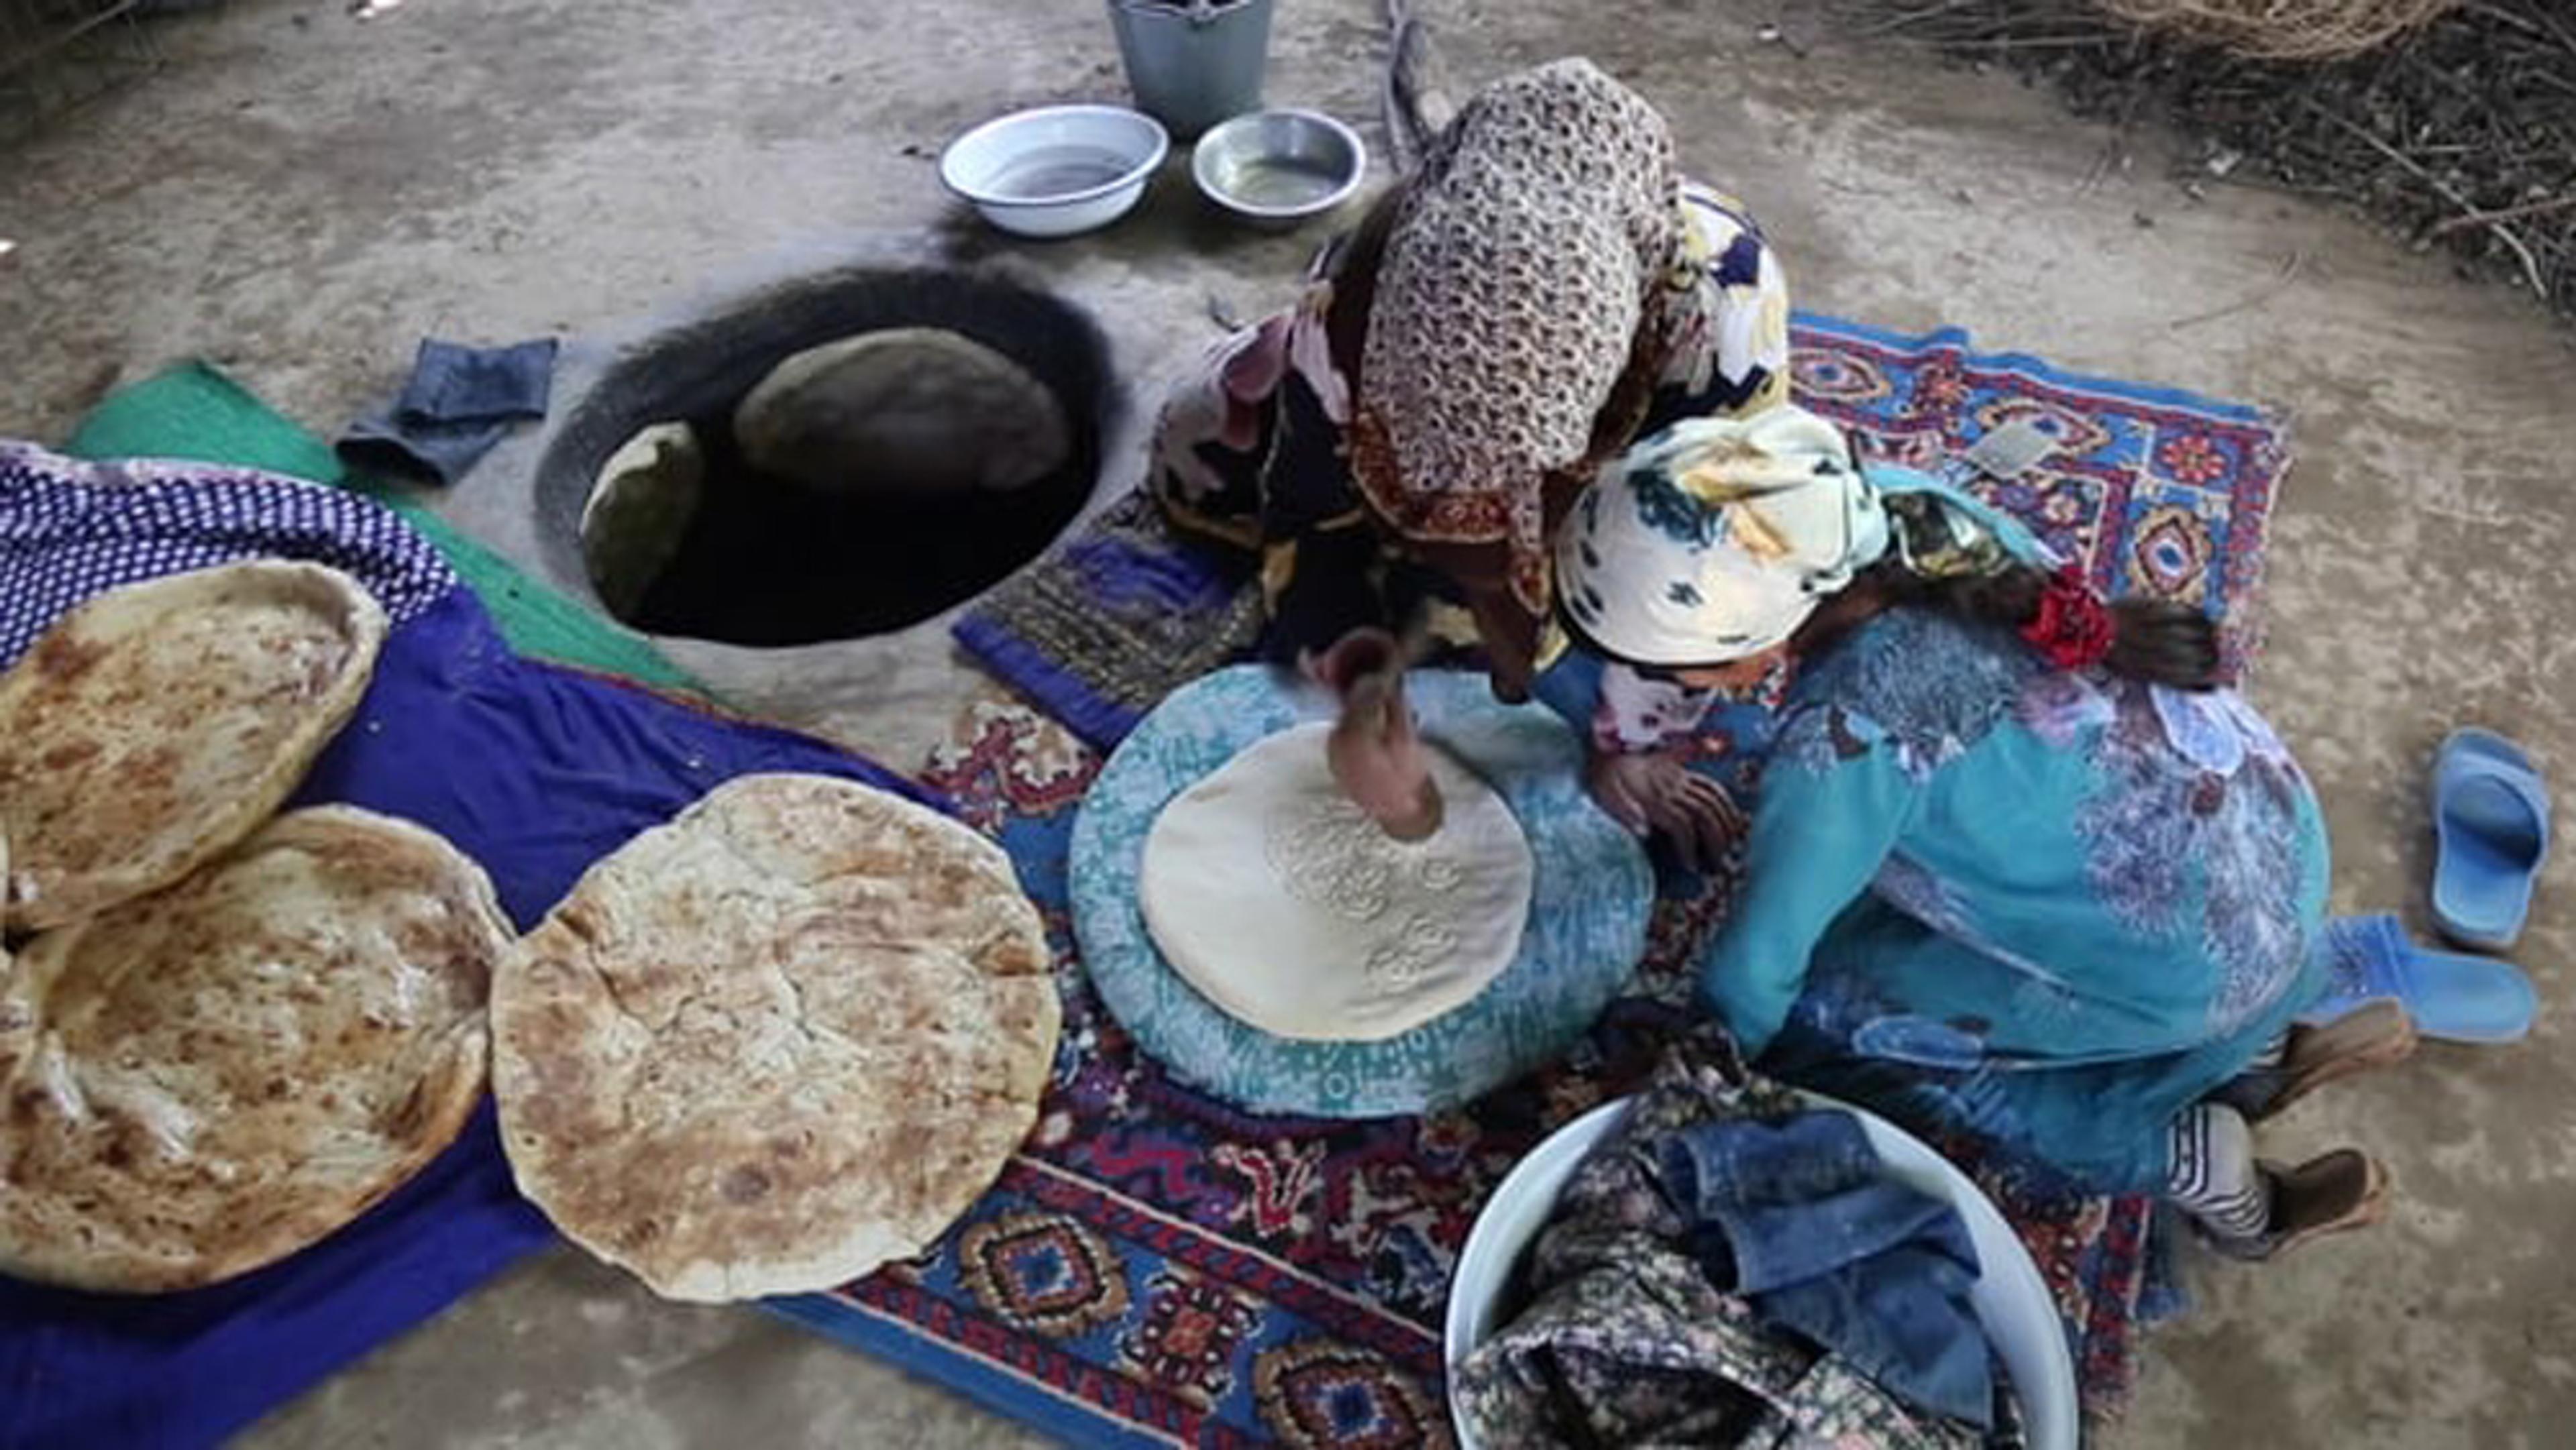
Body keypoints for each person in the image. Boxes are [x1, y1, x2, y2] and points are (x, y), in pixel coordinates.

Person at [1548, 402, 2407, 1260]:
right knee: (1961, 897)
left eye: (1662, 664)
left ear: (1748, 651)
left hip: (2199, 963)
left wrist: (1689, 1082)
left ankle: (2196, 1163)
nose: (1644, 678)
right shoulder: (1901, 515)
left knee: (1832, 1015)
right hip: (2278, 845)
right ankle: (2264, 1044)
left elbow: (1757, 970)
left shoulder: (1842, 743)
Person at [1149, 57, 1787, 835]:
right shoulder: (1357, 297)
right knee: (1199, 455)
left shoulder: (1720, 325)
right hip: (1380, 410)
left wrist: (1632, 740)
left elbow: (1708, 569)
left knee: (1683, 600)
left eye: (1505, 482)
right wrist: (1358, 680)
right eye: (1453, 482)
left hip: (1625, 486)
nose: (1480, 501)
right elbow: (1308, 509)